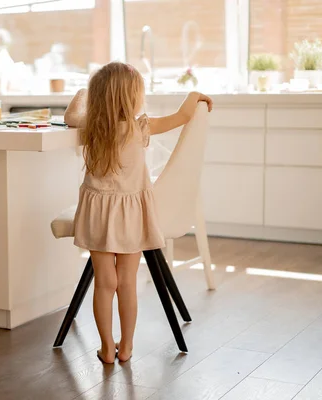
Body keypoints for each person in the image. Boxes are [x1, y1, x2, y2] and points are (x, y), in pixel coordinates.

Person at [64, 62, 213, 364]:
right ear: (131, 97)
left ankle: (107, 348)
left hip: (99, 214)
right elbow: (183, 116)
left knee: (105, 283)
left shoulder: (92, 126)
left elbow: (69, 116)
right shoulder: (140, 126)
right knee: (127, 282)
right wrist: (194, 94)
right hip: (132, 214)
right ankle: (127, 346)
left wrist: (82, 92)